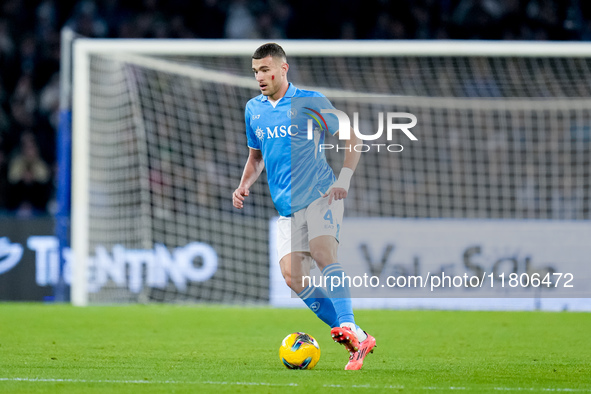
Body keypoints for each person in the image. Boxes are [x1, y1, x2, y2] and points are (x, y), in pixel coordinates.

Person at [232, 43, 376, 370]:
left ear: (284, 69)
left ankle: (349, 324)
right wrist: (244, 185)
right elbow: (256, 158)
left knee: (324, 255)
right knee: (293, 277)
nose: (260, 77)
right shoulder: (254, 109)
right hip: (286, 206)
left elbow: (352, 138)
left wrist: (344, 179)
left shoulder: (309, 101)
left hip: (320, 193)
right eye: (256, 71)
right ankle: (359, 337)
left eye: (266, 69)